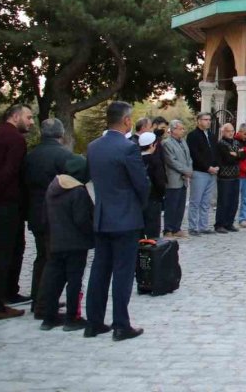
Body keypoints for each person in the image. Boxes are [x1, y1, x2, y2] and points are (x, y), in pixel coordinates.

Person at [84, 101, 149, 340]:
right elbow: (141, 184)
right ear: (127, 120)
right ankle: (121, 324)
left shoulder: (93, 147)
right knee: (122, 272)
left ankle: (93, 322)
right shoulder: (128, 148)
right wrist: (138, 207)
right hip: (125, 218)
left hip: (102, 216)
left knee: (99, 270)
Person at [22, 117, 87, 317]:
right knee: (55, 263)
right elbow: (82, 173)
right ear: (61, 134)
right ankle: (44, 305)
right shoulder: (63, 155)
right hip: (58, 216)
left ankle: (39, 299)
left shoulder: (30, 156)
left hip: (35, 212)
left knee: (42, 257)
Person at [38, 160, 93, 332]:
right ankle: (71, 318)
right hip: (75, 243)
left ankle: (48, 317)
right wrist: (93, 236)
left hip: (55, 241)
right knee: (74, 281)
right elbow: (82, 220)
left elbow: (44, 217)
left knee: (54, 280)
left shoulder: (53, 188)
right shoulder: (78, 192)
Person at [0, 104, 34, 320]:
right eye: (28, 117)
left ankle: (3, 295)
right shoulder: (15, 139)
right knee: (3, 253)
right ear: (15, 116)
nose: (31, 122)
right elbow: (10, 171)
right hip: (5, 204)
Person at [186, 113, 219, 235]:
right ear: (198, 121)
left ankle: (204, 226)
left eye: (209, 120)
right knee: (196, 201)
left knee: (206, 202)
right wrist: (207, 167)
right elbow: (195, 155)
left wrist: (216, 166)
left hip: (212, 172)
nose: (208, 122)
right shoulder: (193, 136)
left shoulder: (211, 135)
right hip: (199, 172)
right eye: (205, 120)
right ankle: (193, 227)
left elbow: (215, 152)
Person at [161, 119, 192, 238]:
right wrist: (185, 170)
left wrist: (189, 170)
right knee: (171, 205)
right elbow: (171, 161)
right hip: (173, 178)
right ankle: (168, 229)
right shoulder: (167, 143)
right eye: (180, 129)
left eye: (183, 128)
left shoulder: (183, 142)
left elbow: (188, 157)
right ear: (173, 130)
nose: (183, 131)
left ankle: (176, 228)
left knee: (180, 205)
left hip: (184, 178)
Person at [214, 123, 245, 234]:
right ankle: (220, 224)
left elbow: (243, 156)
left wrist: (234, 154)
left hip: (236, 175)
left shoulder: (237, 142)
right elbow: (227, 159)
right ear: (223, 132)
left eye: (232, 130)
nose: (231, 133)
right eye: (228, 131)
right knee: (224, 201)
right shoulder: (220, 144)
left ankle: (229, 223)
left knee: (234, 201)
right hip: (224, 177)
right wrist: (237, 155)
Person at [139, 132, 166, 239]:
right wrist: (162, 194)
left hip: (139, 200)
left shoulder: (135, 160)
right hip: (154, 198)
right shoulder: (155, 161)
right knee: (153, 229)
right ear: (152, 145)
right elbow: (160, 182)